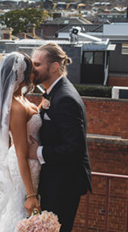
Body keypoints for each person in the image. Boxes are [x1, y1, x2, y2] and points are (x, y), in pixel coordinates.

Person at [0, 52, 42, 232]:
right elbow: (21, 151)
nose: (35, 74)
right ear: (23, 75)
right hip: (24, 164)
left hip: (31, 162)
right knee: (20, 211)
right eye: (32, 71)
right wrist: (31, 194)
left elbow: (32, 120)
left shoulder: (21, 98)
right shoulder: (16, 107)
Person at [29, 43, 92, 232]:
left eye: (37, 65)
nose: (33, 70)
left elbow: (76, 149)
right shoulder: (53, 92)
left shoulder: (65, 98)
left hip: (64, 184)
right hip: (56, 179)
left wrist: (38, 151)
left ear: (54, 67)